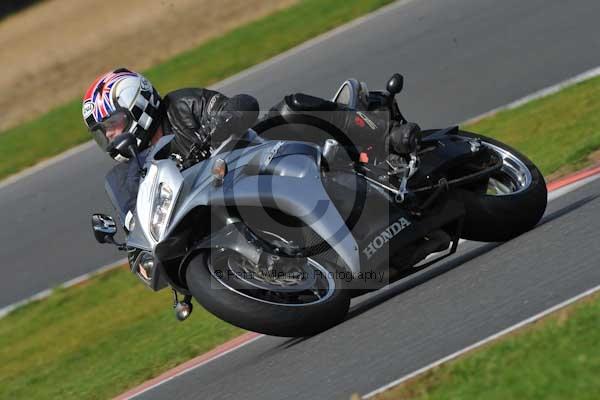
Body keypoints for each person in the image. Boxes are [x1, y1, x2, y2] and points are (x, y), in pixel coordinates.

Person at [82, 68, 259, 223]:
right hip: (198, 225)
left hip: (246, 184)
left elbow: (243, 105)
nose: (108, 134)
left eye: (112, 123)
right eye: (102, 130)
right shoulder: (124, 177)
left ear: (137, 107)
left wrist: (220, 125)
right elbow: (137, 230)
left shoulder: (184, 106)